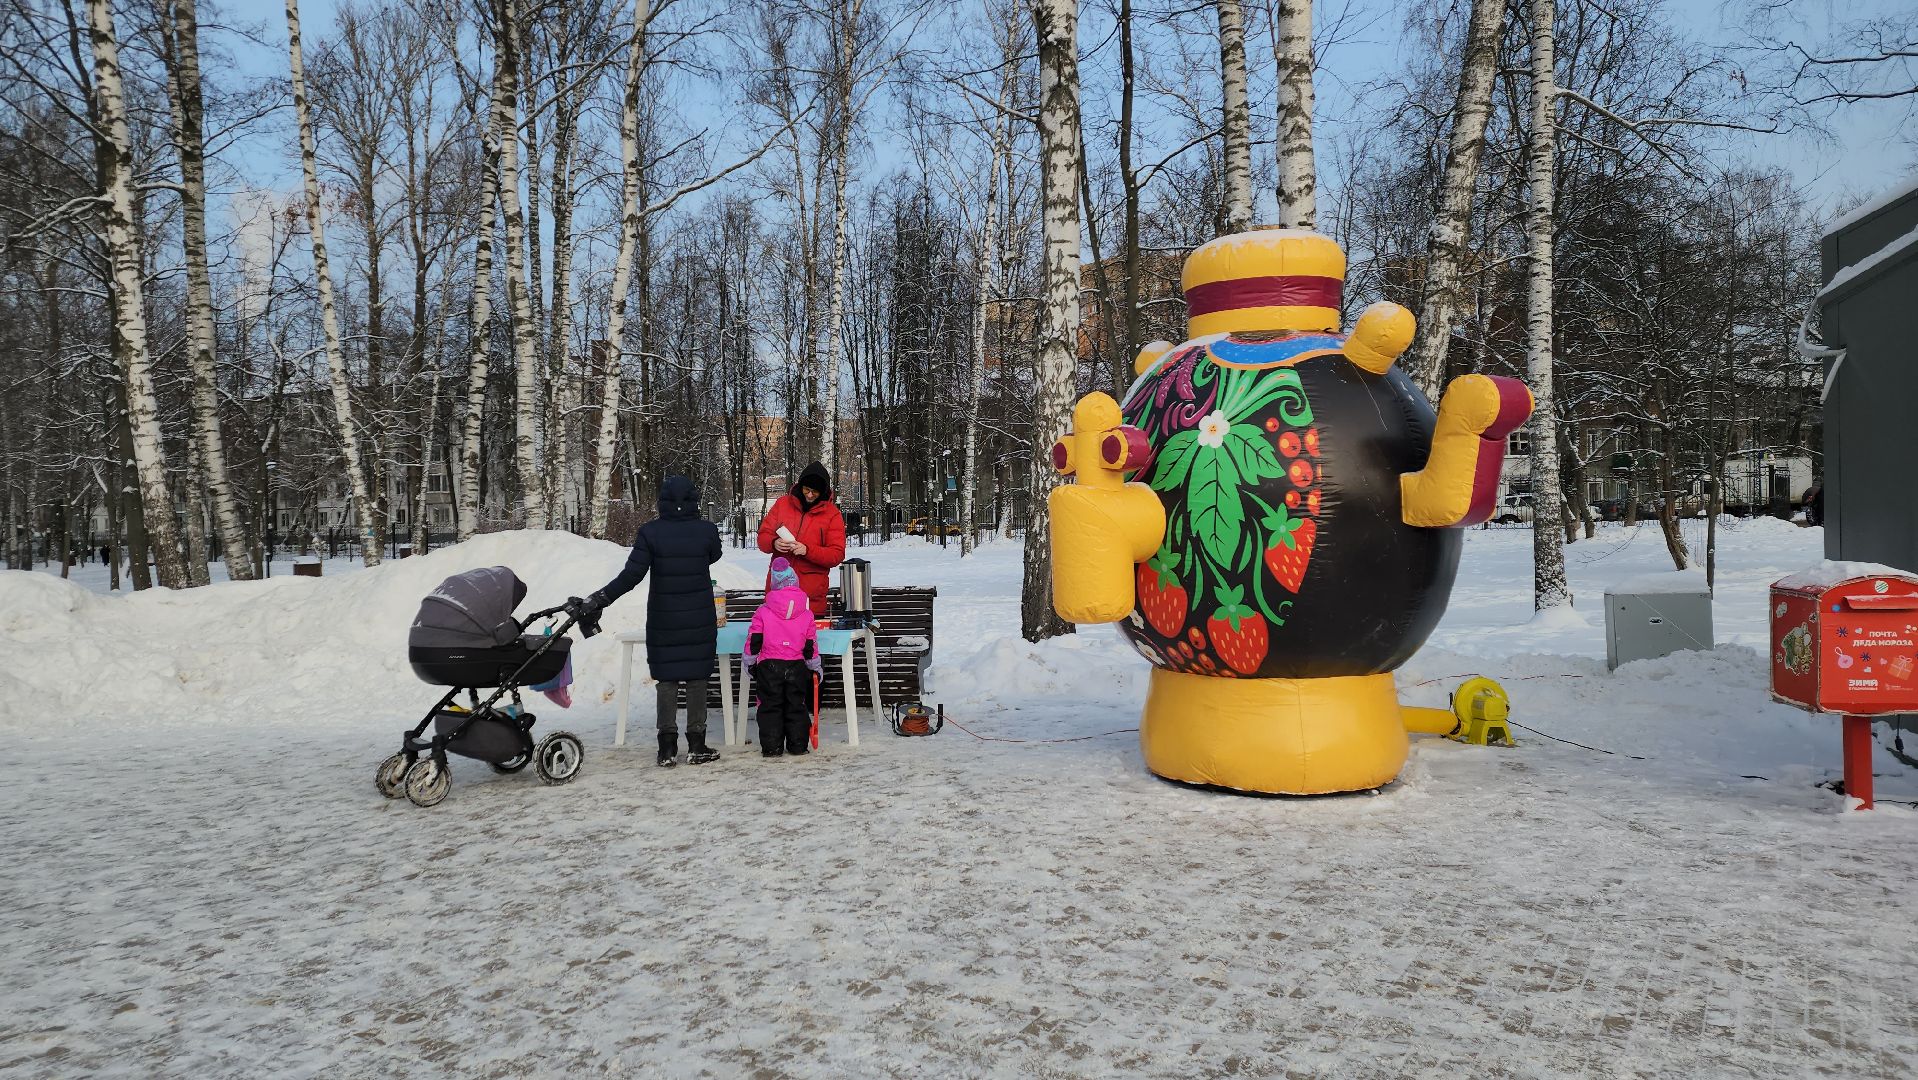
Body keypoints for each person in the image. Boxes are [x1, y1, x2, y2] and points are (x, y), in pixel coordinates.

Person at [569, 475, 723, 768]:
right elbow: (713, 555)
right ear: (694, 500)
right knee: (696, 679)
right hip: (699, 616)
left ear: (662, 501)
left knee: (666, 679)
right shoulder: (707, 531)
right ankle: (697, 745)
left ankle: (666, 748)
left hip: (663, 617)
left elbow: (631, 576)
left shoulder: (650, 533)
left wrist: (600, 598)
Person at [743, 558, 821, 757]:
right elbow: (810, 646)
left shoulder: (763, 611)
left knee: (770, 707)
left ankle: (772, 747)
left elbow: (754, 641)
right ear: (794, 583)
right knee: (796, 705)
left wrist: (749, 663)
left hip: (769, 666)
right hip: (796, 666)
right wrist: (815, 667)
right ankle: (797, 745)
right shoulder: (807, 614)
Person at [755, 461, 846, 617]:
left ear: (823, 492)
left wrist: (808, 550)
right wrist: (774, 543)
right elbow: (762, 538)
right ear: (800, 486)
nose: (810, 495)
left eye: (815, 492)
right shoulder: (782, 504)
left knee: (808, 641)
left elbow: (836, 554)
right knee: (774, 641)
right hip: (778, 596)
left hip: (810, 601)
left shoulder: (832, 514)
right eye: (807, 489)